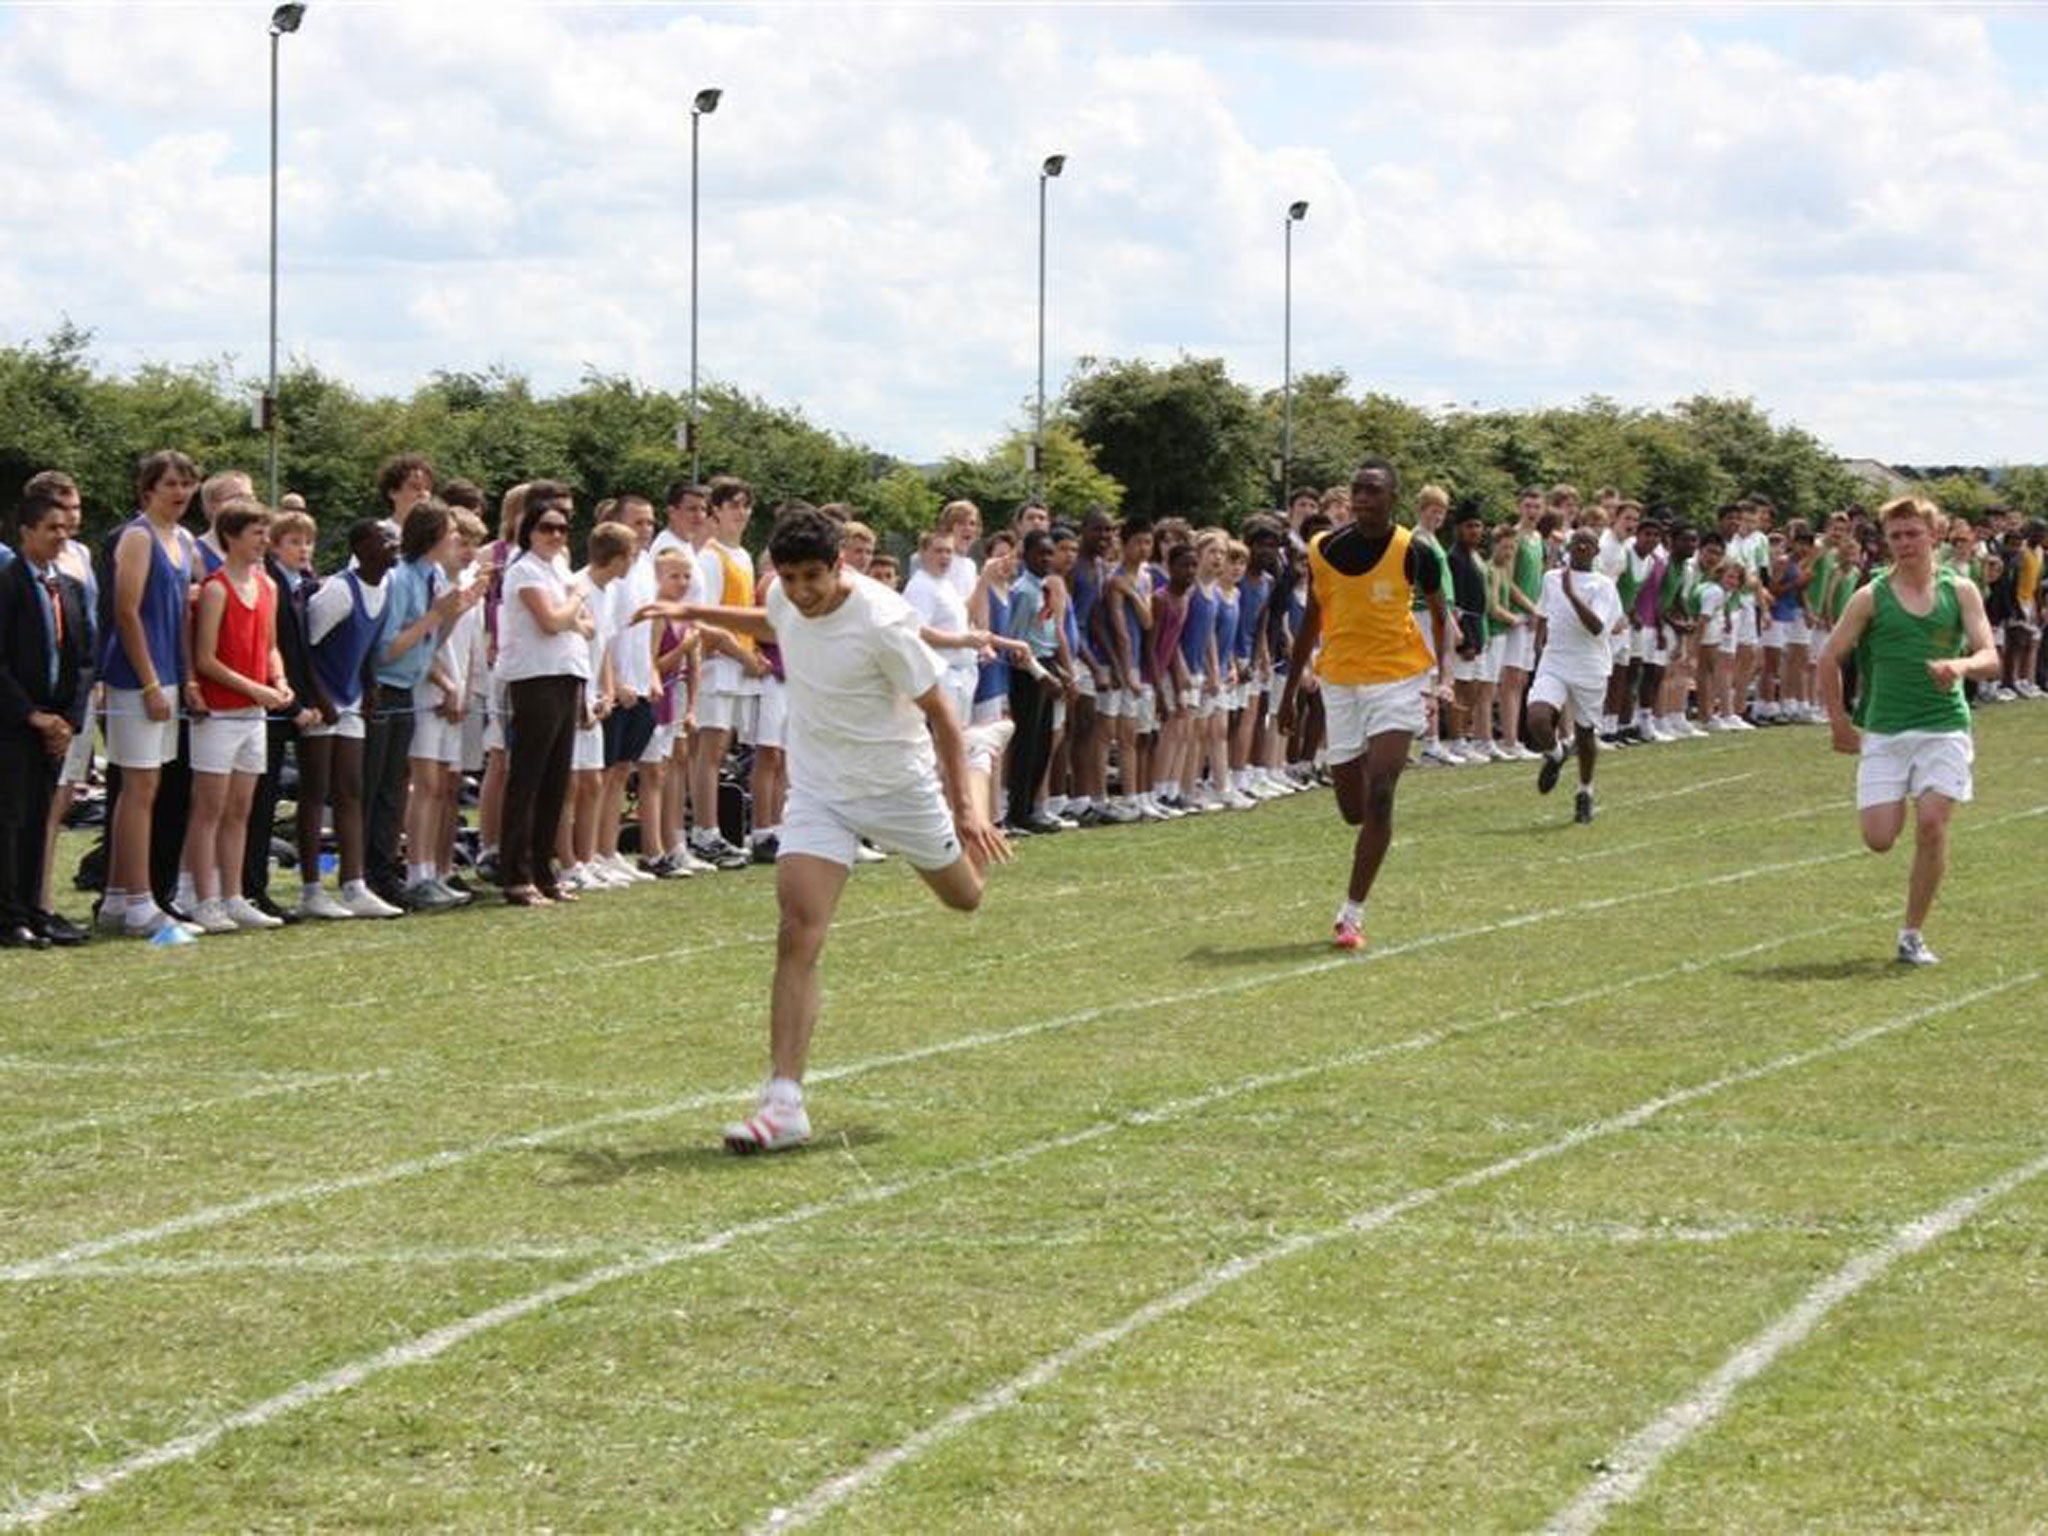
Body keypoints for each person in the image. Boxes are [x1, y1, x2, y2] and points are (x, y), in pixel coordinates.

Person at [637, 506, 1011, 1153]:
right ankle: (784, 1102)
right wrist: (696, 614)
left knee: (966, 896)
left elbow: (942, 716)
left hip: (898, 786)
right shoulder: (786, 596)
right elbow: (774, 623)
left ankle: (985, 762)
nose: (802, 591)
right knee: (797, 932)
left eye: (814, 576)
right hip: (819, 792)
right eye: (790, 576)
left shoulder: (883, 621)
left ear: (839, 566)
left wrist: (968, 806)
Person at [1276, 457, 1453, 951]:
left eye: (1373, 491)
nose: (1361, 498)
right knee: (1353, 810)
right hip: (1340, 684)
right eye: (1357, 490)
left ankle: (1350, 915)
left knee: (1381, 792)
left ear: (1392, 497)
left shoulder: (1414, 551)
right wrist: (1290, 692)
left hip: (1398, 680)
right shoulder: (1323, 548)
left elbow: (1441, 615)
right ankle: (1362, 861)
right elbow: (1313, 617)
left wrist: (1445, 678)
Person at [1817, 496, 2001, 966]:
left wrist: (1958, 665)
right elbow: (1829, 658)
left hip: (1944, 727)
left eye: (1913, 533)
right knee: (1879, 838)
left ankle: (1912, 934)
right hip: (1885, 730)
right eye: (1895, 535)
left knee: (1933, 823)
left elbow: (1990, 658)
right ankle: (1897, 795)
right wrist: (1839, 723)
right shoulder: (1869, 596)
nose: (1904, 543)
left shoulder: (1960, 591)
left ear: (1934, 535)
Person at [98, 449, 203, 939]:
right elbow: (127, 611)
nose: (180, 493)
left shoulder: (182, 539)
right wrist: (147, 681)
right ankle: (138, 899)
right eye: (170, 485)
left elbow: (182, 614)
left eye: (186, 483)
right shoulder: (138, 537)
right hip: (134, 678)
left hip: (167, 675)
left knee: (149, 787)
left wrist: (184, 678)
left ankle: (121, 897)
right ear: (148, 492)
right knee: (138, 788)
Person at [183, 500, 291, 933]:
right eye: (257, 533)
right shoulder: (215, 588)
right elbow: (205, 658)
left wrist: (279, 679)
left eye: (266, 532)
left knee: (240, 809)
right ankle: (203, 898)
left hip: (252, 716)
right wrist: (255, 689)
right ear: (232, 536)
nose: (264, 541)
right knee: (209, 808)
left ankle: (232, 894)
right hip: (220, 714)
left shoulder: (268, 586)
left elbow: (269, 645)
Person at [0, 482, 94, 947]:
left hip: (56, 725)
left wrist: (68, 720)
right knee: (12, 818)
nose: (62, 535)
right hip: (16, 723)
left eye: (65, 527)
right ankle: (10, 914)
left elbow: (83, 659)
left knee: (42, 818)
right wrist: (32, 716)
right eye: (51, 528)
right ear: (26, 532)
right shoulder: (8, 584)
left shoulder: (70, 588)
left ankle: (36, 908)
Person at [497, 483, 593, 907]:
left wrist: (571, 611)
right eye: (547, 528)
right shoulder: (525, 570)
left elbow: (584, 625)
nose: (556, 536)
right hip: (535, 677)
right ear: (529, 531)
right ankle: (515, 874)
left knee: (556, 781)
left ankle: (544, 869)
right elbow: (553, 621)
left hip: (566, 673)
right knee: (528, 780)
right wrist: (573, 603)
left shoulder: (559, 570)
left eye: (562, 529)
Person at [1527, 527, 1625, 825]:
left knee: (1585, 734)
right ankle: (1555, 754)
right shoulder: (1551, 578)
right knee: (1537, 718)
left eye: (1589, 544)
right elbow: (1544, 612)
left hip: (1590, 665)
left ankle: (1585, 790)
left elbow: (1597, 627)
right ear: (1569, 548)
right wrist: (1538, 641)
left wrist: (1572, 594)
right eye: (1577, 543)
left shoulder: (1603, 585)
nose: (1582, 547)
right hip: (1555, 660)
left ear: (1596, 551)